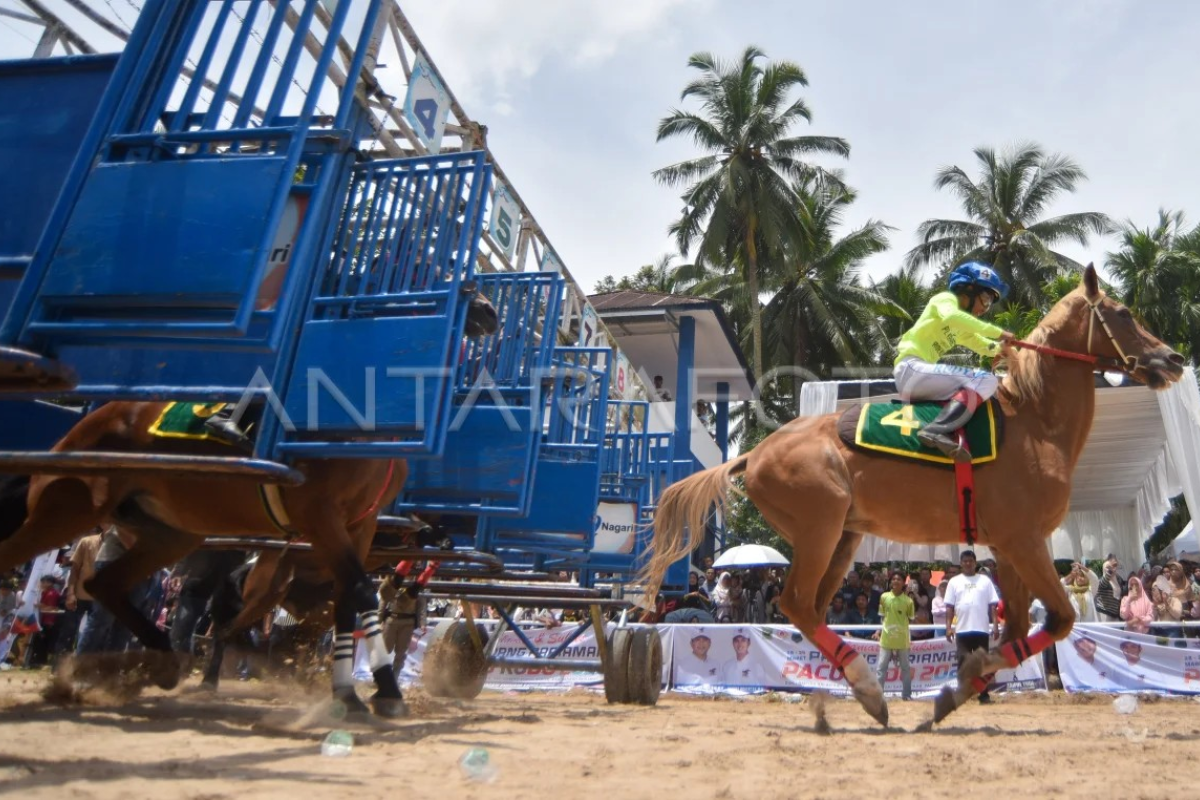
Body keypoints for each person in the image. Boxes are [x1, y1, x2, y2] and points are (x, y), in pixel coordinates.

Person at [893, 261, 1016, 461]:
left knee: (979, 382)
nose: (985, 309)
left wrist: (1002, 349)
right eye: (985, 299)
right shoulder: (944, 300)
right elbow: (952, 317)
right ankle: (936, 430)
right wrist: (999, 332)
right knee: (986, 379)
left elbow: (981, 344)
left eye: (990, 304)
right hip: (912, 369)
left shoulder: (959, 327)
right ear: (968, 289)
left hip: (919, 375)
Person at [943, 550, 1000, 704]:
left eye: (971, 561)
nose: (968, 563)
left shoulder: (985, 581)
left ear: (975, 563)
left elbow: (993, 606)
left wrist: (995, 626)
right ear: (961, 564)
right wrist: (948, 627)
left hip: (981, 628)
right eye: (965, 561)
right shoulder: (954, 582)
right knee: (963, 661)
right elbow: (949, 607)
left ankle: (984, 694)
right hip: (962, 629)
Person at [875, 573, 915, 700]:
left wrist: (909, 637)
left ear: (904, 582)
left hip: (902, 640)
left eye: (899, 579)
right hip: (886, 638)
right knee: (881, 668)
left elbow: (911, 619)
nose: (896, 581)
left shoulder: (908, 601)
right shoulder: (884, 597)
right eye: (894, 579)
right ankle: (878, 695)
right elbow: (882, 617)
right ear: (890, 581)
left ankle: (907, 695)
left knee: (905, 668)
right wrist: (879, 631)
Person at [1095, 557, 1124, 623]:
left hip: (1115, 614)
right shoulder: (1102, 581)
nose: (1111, 569)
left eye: (1113, 567)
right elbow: (1104, 581)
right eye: (1107, 567)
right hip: (1104, 614)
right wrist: (1110, 571)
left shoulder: (1119, 580)